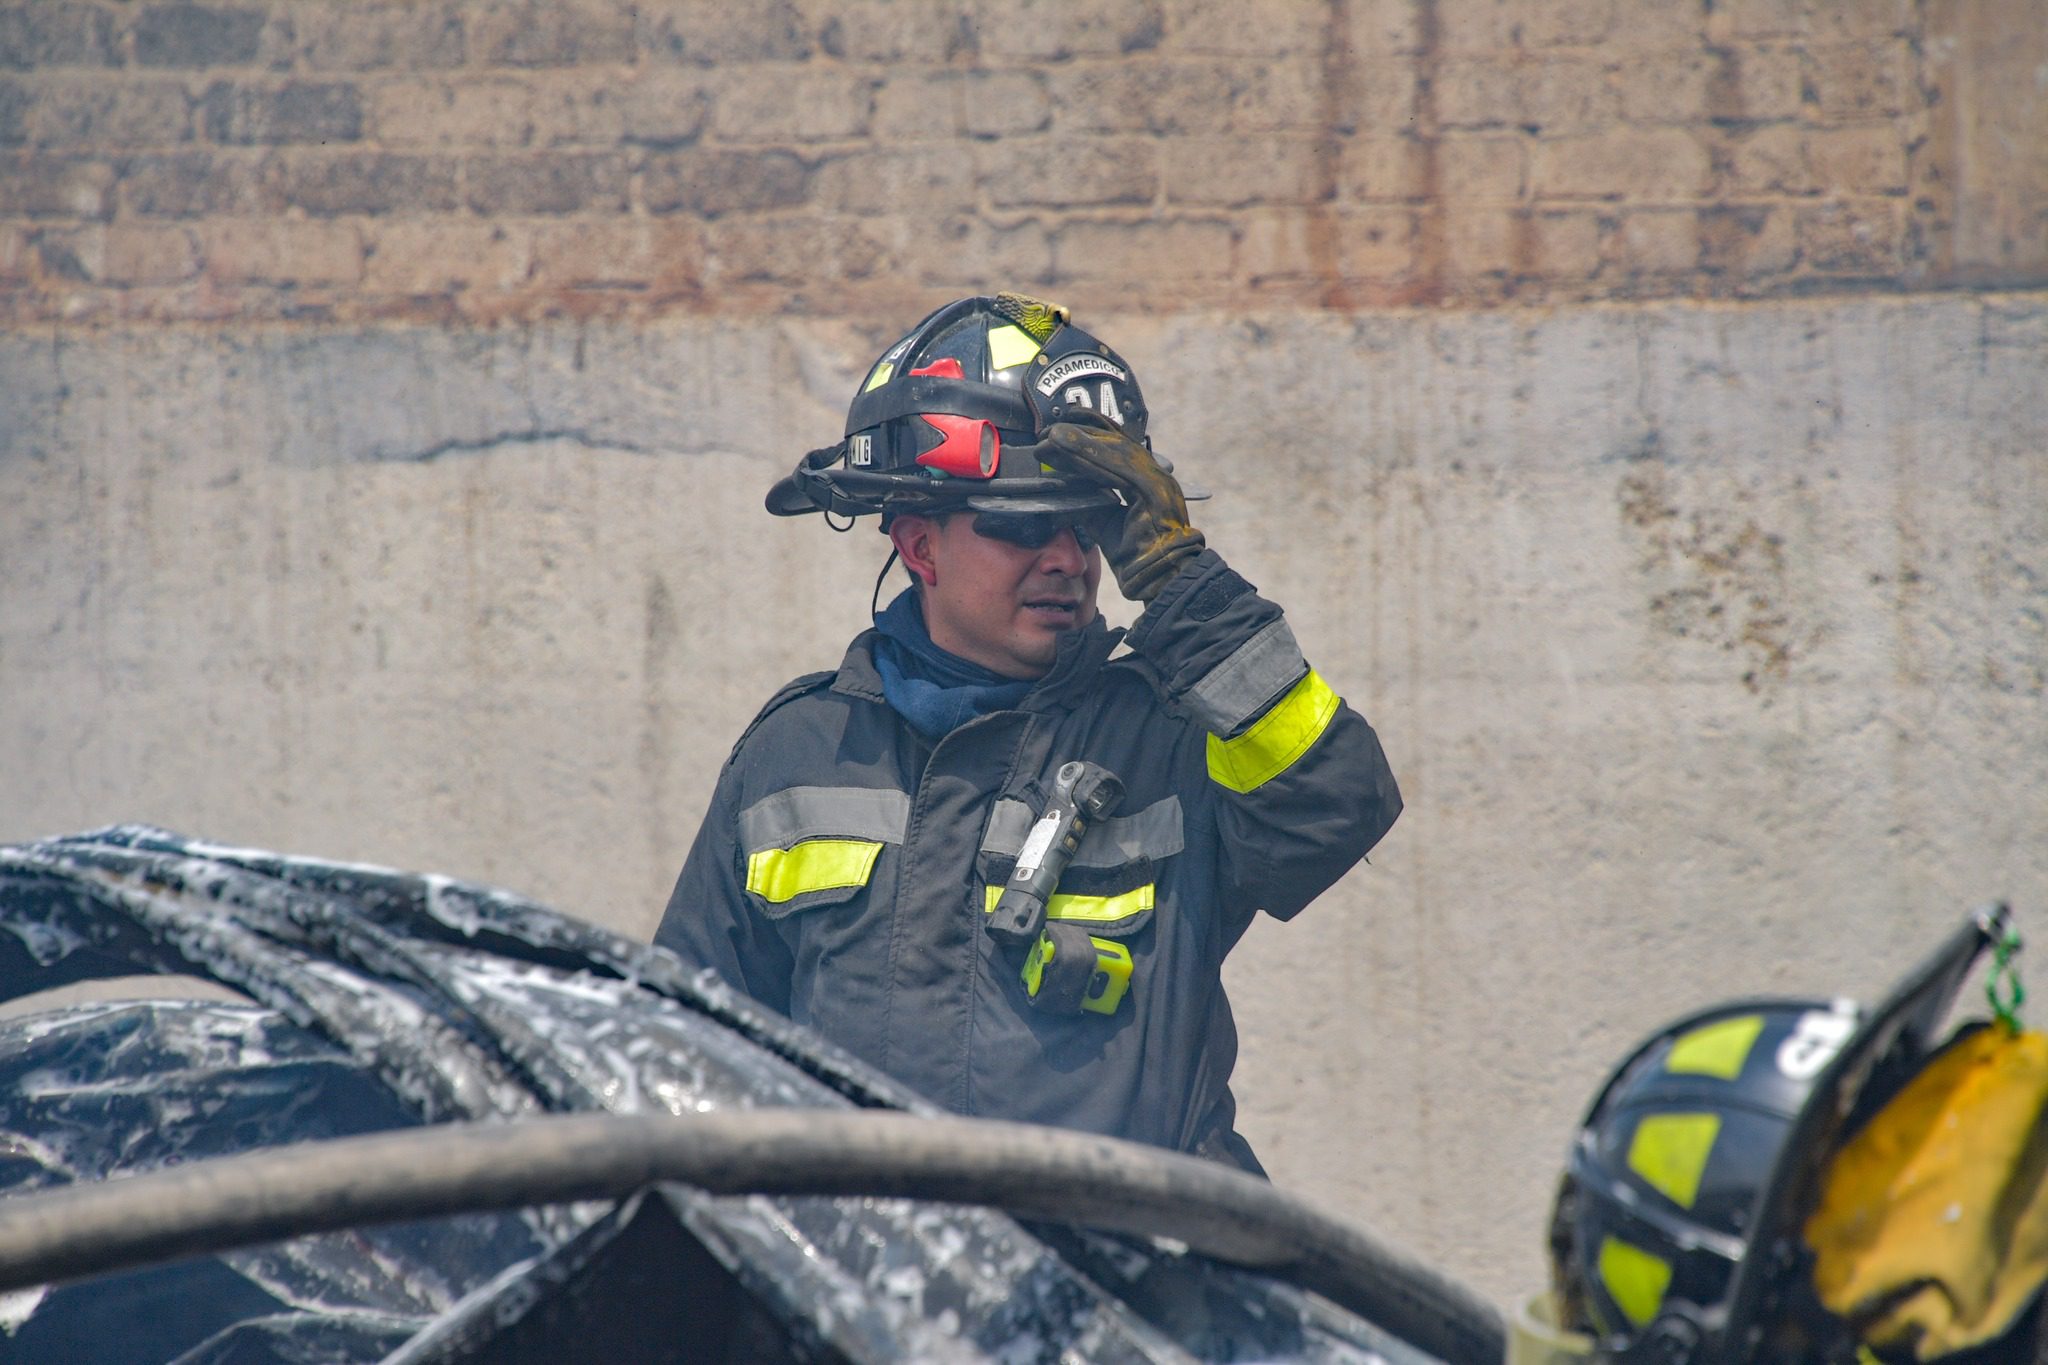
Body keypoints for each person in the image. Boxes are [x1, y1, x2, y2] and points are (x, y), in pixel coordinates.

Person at [654, 294, 1401, 1173]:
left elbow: (1335, 807)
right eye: (1020, 525)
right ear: (920, 547)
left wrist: (1182, 584)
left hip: (1127, 1289)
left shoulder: (1169, 737)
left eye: (1089, 527)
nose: (1066, 559)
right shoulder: (798, 753)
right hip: (867, 1294)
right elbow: (680, 1052)